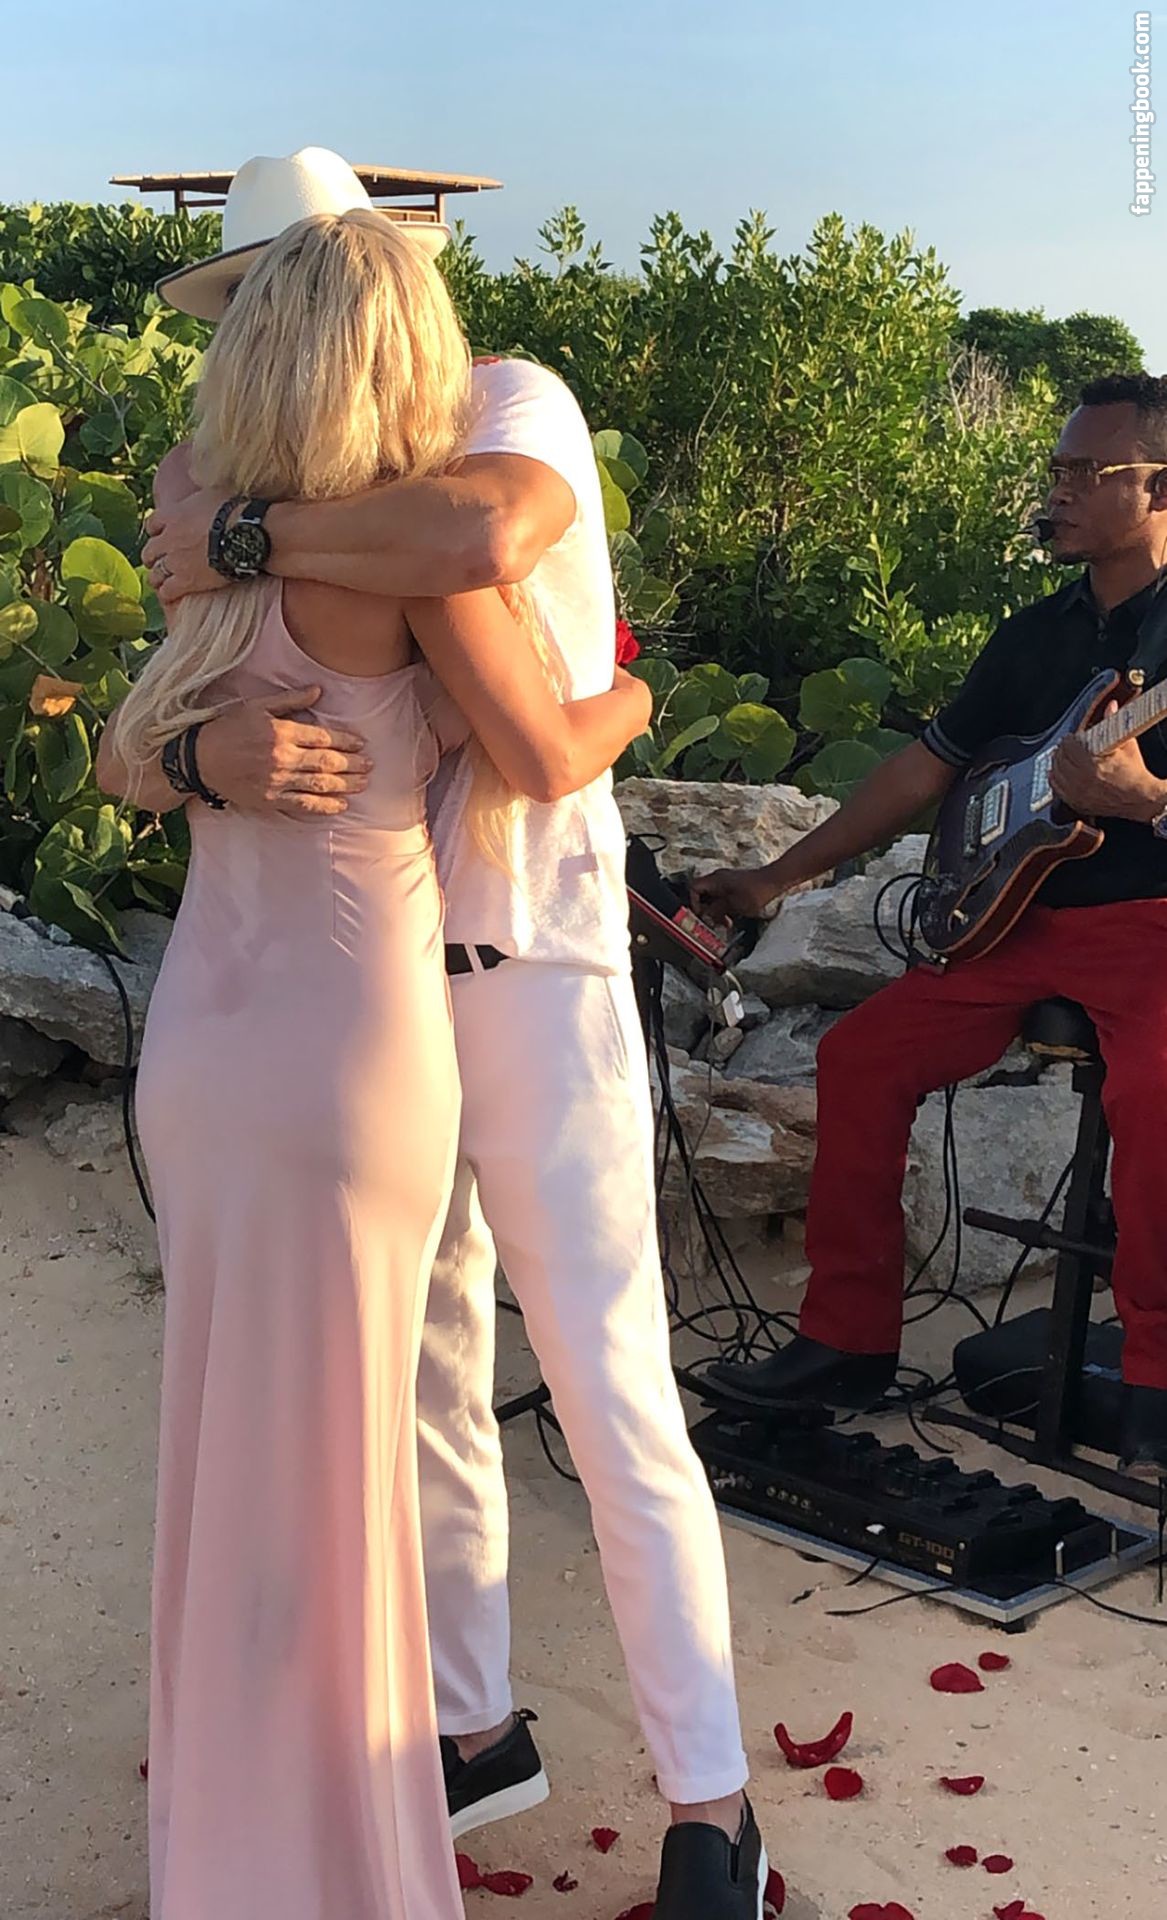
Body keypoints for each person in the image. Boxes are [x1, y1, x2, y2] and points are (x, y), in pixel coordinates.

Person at [141, 160, 767, 1920]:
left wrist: (248, 533)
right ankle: (472, 1726)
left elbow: (476, 544)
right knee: (424, 1389)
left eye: (280, 290)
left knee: (607, 1384)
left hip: (535, 964)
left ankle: (712, 1804)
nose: (266, 327)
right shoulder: (284, 473)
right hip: (380, 993)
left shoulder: (504, 402)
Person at [693, 371, 1167, 1481]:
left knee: (1154, 1098)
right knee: (860, 1057)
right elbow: (923, 771)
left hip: (1153, 930)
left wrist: (1147, 798)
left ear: (1158, 489)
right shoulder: (1033, 634)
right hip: (1017, 924)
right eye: (1055, 468)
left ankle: (1156, 1382)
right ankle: (845, 1342)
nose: (1057, 490)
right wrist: (775, 878)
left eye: (1085, 471)